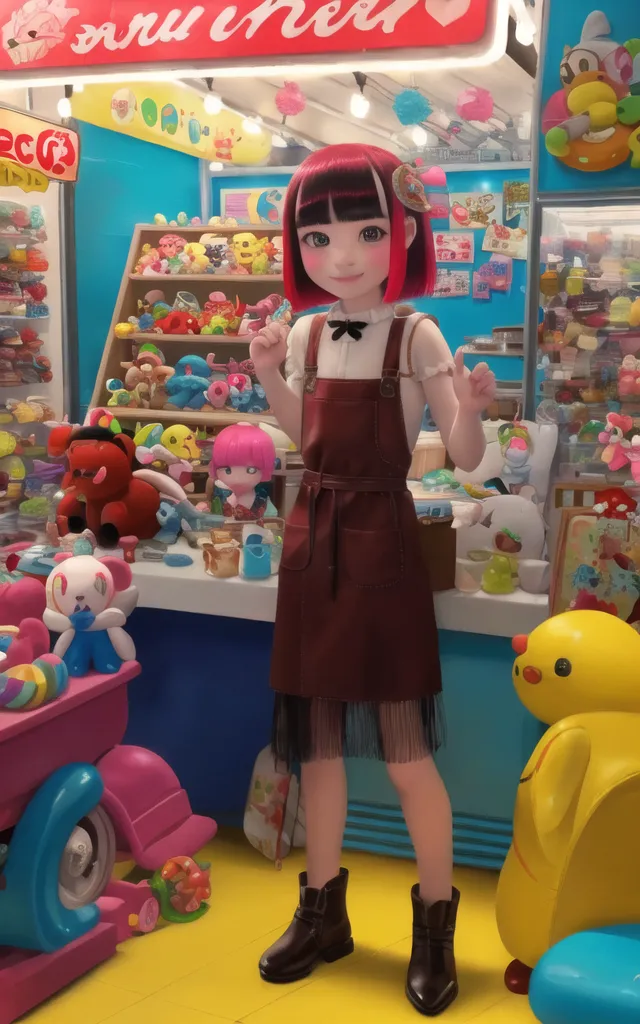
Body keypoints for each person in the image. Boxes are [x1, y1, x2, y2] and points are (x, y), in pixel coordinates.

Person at [249, 144, 496, 1017]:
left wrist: (471, 406)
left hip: (383, 545)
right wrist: (271, 373)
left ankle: (436, 925)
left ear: (404, 233)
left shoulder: (417, 332)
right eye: (317, 235)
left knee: (405, 755)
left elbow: (465, 461)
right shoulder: (309, 331)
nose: (342, 254)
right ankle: (322, 915)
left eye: (365, 230)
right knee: (315, 747)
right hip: (312, 541)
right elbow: (299, 438)